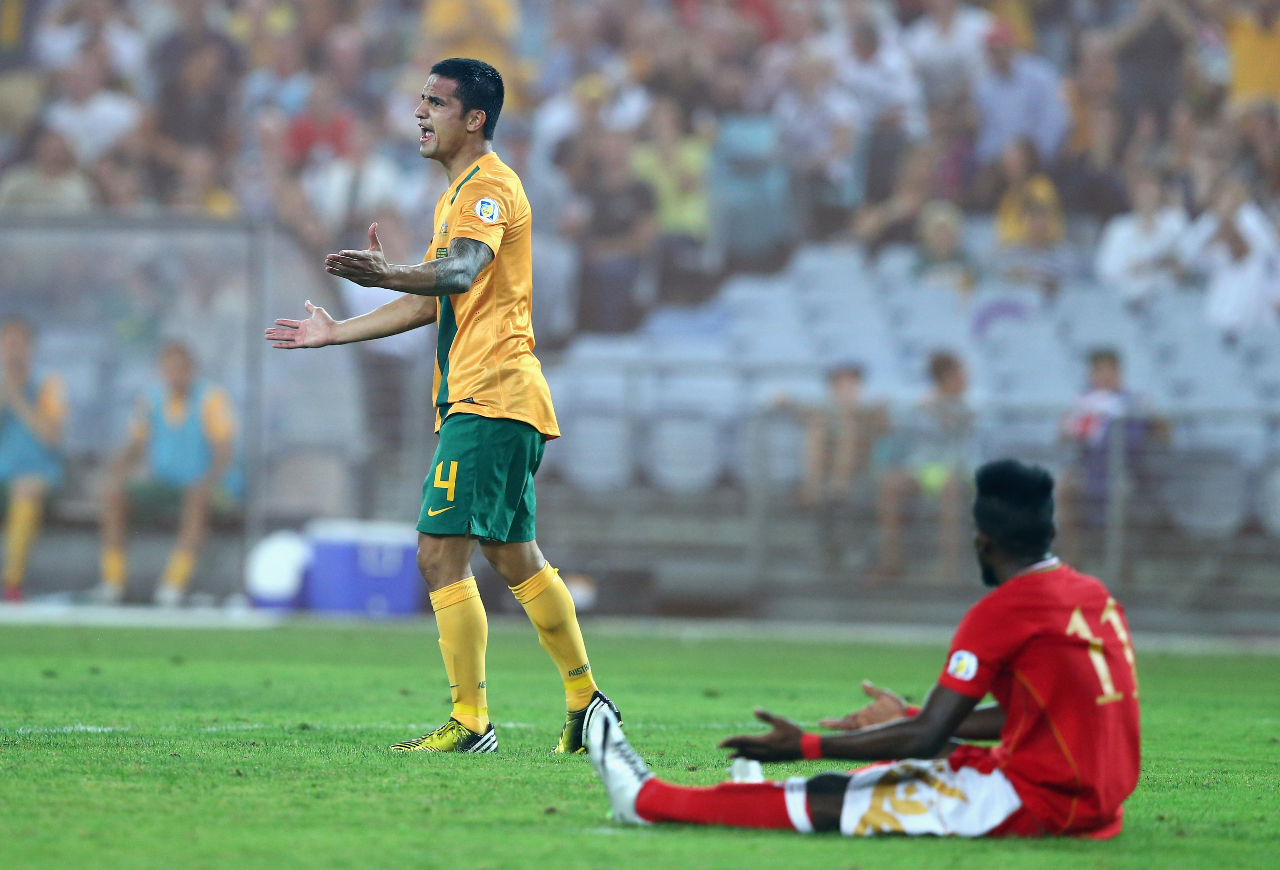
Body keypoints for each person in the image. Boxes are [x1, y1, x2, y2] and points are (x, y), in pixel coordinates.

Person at [265, 58, 619, 754]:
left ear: (475, 118)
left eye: (436, 103)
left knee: (437, 556)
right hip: (498, 398)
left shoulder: (486, 187)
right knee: (515, 558)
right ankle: (586, 702)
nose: (420, 114)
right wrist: (338, 330)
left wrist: (387, 269)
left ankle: (471, 721)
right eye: (420, 101)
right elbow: (435, 297)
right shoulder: (457, 193)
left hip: (489, 395)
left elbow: (458, 271)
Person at [583, 459, 1141, 840]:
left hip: (1044, 804)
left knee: (836, 801)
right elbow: (1040, 713)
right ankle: (745, 792)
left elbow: (927, 738)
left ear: (983, 542)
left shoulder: (1001, 612)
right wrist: (912, 717)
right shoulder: (1091, 595)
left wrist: (804, 744)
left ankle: (649, 801)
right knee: (897, 764)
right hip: (1091, 799)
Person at [95, 341, 237, 607]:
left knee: (197, 498)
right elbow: (136, 445)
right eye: (169, 368)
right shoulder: (151, 400)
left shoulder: (211, 399)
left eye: (180, 368)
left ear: (192, 369)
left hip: (207, 486)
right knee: (114, 495)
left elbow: (224, 449)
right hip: (165, 483)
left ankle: (173, 584)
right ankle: (113, 582)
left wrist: (208, 481)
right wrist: (114, 473)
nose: (175, 374)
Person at [871, 351, 976, 584]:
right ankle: (891, 564)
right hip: (923, 468)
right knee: (890, 487)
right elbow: (896, 431)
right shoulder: (921, 404)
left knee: (951, 490)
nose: (965, 379)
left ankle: (948, 572)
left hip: (954, 467)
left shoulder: (965, 407)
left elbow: (966, 440)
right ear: (946, 377)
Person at [0, 319, 65, 603]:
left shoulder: (47, 385)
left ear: (31, 349)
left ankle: (12, 582)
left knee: (25, 489)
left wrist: (16, 398)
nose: (13, 351)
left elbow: (51, 436)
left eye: (19, 344)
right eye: (8, 343)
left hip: (38, 474)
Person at [1095, 171, 1187, 307]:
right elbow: (1104, 270)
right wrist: (1134, 267)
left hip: (1166, 302)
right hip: (1125, 301)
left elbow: (1187, 264)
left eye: (1151, 192)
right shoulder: (1119, 228)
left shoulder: (1174, 225)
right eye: (1143, 192)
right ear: (1133, 196)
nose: (1147, 197)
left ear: (1160, 194)